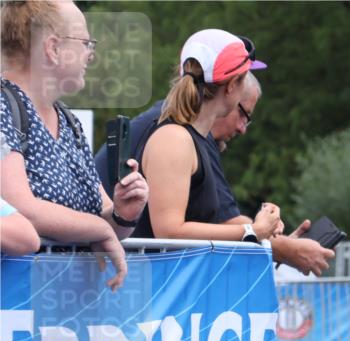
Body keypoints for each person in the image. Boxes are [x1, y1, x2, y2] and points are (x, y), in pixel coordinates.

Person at [97, 70, 333, 277]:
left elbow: (220, 218)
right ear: (230, 91)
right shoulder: (178, 134)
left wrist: (270, 237)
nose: (242, 128)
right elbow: (171, 230)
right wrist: (270, 241)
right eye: (244, 114)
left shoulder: (189, 133)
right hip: (122, 275)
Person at [1, 0, 149, 292]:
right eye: (85, 42)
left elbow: (101, 219)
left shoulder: (69, 121)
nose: (90, 54)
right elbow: (21, 208)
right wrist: (101, 228)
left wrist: (123, 212)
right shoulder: (3, 104)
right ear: (53, 49)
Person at [134, 29, 281, 243]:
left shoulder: (194, 139)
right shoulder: (174, 138)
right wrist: (252, 230)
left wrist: (263, 224)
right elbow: (168, 231)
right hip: (163, 276)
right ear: (231, 86)